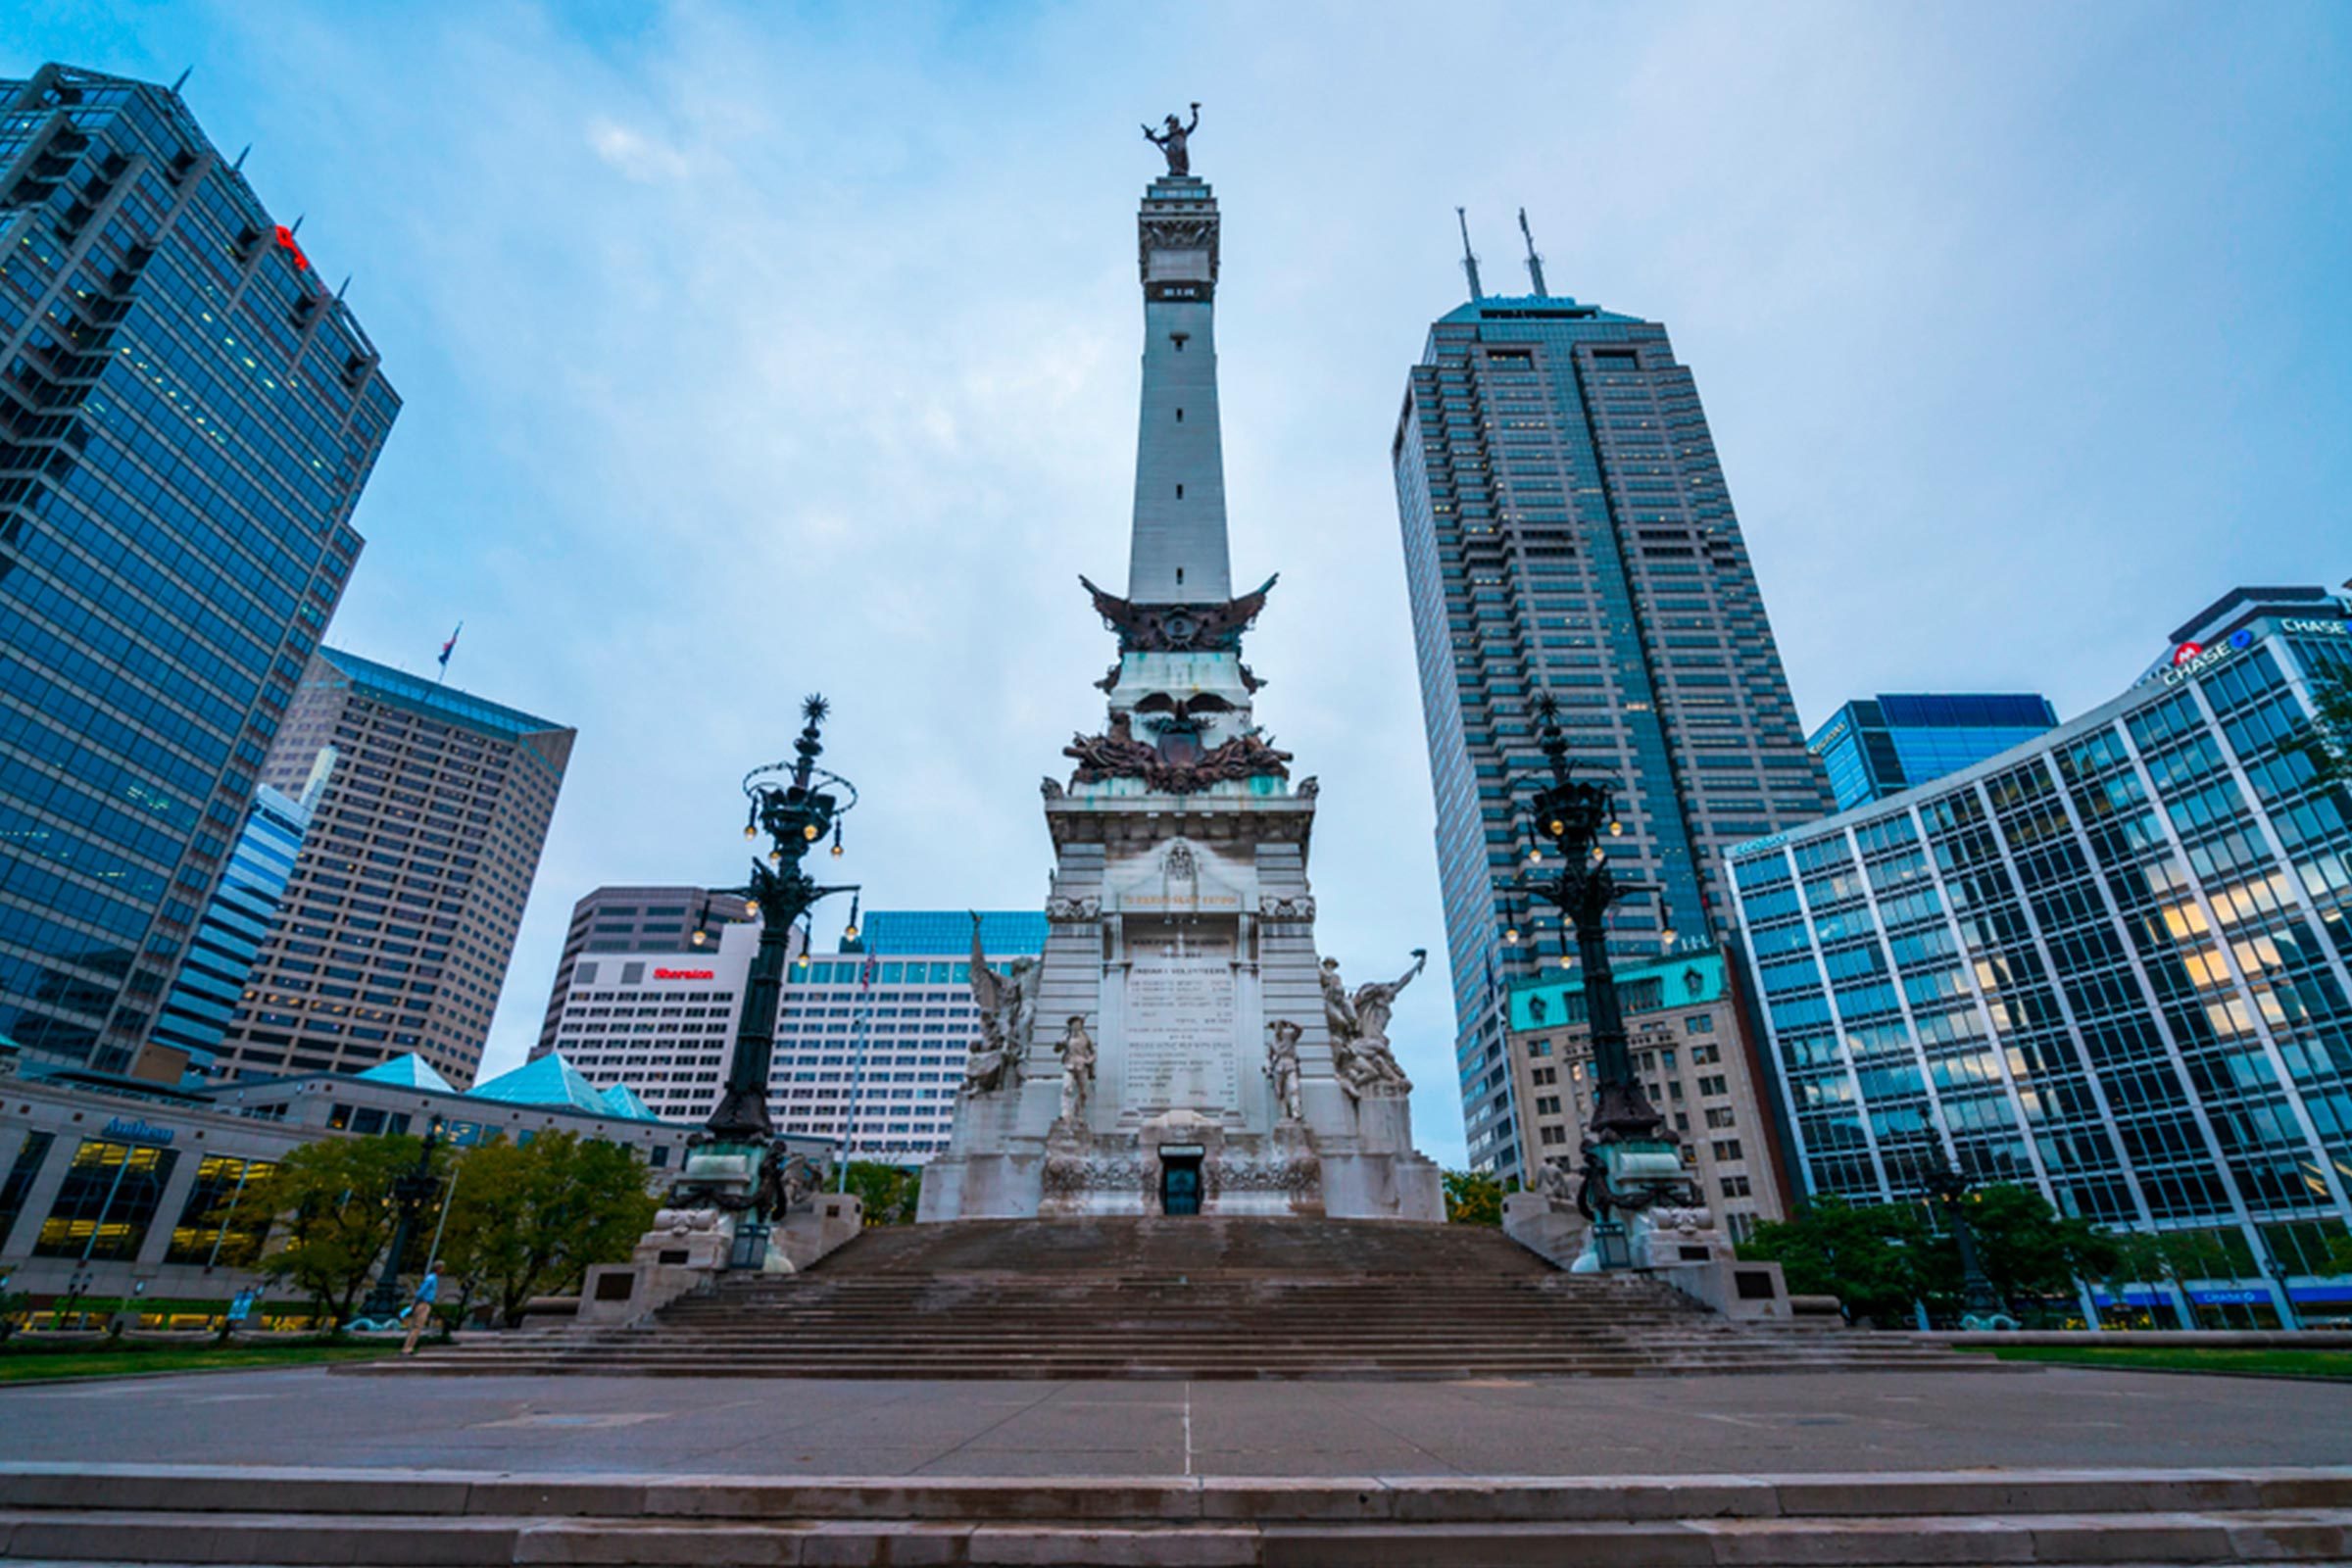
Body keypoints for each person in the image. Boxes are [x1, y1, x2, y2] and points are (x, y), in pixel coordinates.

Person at [400, 1262, 442, 1355]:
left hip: (424, 1303)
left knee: (416, 1327)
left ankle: (408, 1348)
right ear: (438, 1268)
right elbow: (421, 1292)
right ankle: (407, 1348)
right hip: (424, 1304)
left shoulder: (432, 1278)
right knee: (417, 1327)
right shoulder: (431, 1278)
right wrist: (416, 1302)